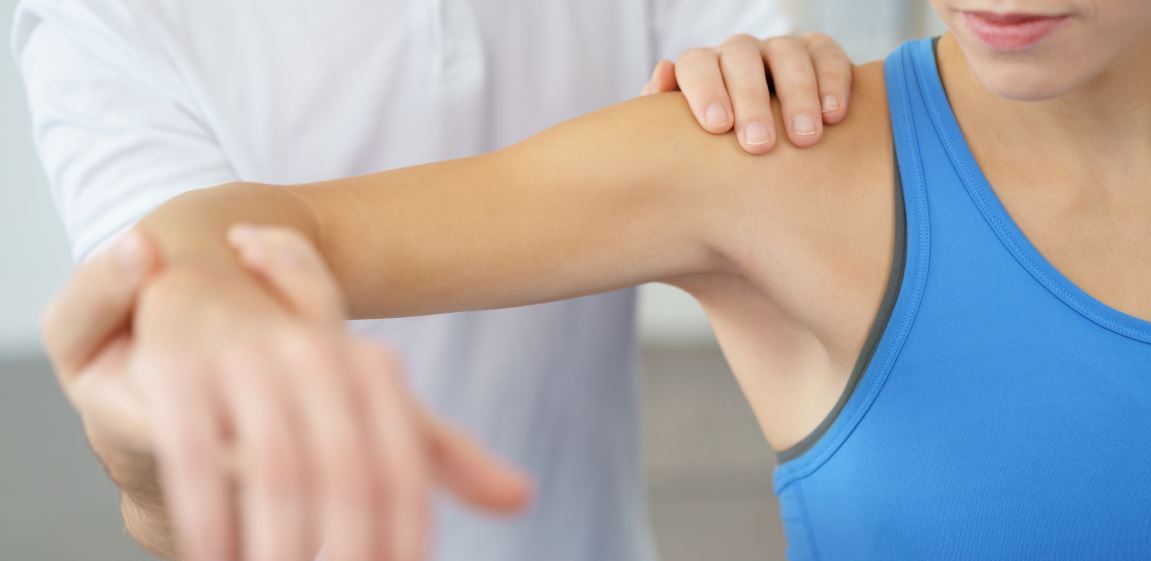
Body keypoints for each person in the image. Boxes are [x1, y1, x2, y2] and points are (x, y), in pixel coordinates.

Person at [46, 0, 1151, 558]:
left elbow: (767, 64)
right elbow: (204, 258)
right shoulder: (110, 22)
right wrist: (197, 288)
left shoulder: (784, 125)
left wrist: (766, 69)